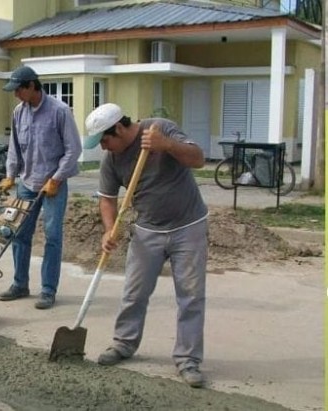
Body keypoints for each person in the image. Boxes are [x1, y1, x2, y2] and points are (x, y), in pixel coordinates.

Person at [84, 103, 209, 388]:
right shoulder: (113, 160)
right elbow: (106, 198)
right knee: (134, 293)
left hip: (188, 226)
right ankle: (124, 344)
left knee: (191, 297)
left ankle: (188, 360)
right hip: (147, 230)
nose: (103, 147)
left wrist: (166, 145)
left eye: (104, 140)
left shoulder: (159, 128)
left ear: (118, 128)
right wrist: (108, 230)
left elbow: (198, 159)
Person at [0, 65, 82, 309]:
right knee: (18, 233)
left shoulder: (59, 111)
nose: (16, 95)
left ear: (32, 86)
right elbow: (15, 146)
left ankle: (48, 290)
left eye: (18, 90)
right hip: (27, 182)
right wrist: (10, 174)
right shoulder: (18, 112)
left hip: (53, 184)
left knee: (52, 236)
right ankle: (20, 284)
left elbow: (73, 150)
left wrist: (56, 179)